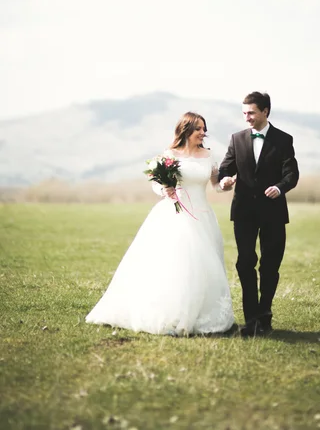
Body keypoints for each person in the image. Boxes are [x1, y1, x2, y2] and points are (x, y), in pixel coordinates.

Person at [86, 112, 235, 336]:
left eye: (205, 129)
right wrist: (164, 190)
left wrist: (226, 184)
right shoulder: (169, 155)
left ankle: (203, 317)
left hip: (202, 216)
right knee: (175, 263)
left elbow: (215, 185)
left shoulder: (208, 156)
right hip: (174, 215)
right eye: (199, 129)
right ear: (186, 130)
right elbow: (156, 183)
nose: (203, 133)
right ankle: (170, 314)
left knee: (205, 267)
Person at [218, 92, 299, 337]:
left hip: (273, 212)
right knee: (245, 263)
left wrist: (280, 187)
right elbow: (225, 168)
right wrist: (224, 181)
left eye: (251, 112)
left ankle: (265, 313)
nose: (247, 118)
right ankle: (251, 318)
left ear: (265, 111)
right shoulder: (236, 139)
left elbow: (291, 175)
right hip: (243, 212)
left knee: (270, 265)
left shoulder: (284, 140)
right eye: (244, 113)